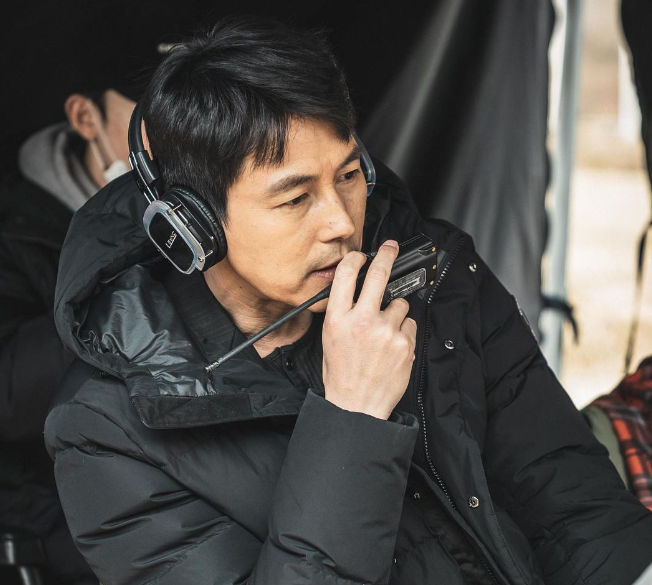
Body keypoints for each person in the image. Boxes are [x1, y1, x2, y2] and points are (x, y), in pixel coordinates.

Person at [45, 17, 652, 585]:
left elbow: (574, 504)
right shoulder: (106, 435)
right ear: (194, 227)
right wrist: (352, 417)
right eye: (294, 199)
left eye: (348, 174)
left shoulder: (437, 277)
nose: (341, 222)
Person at [0, 87, 134, 584]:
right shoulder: (14, 228)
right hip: (57, 509)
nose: (180, 128)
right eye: (153, 114)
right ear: (85, 118)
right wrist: (132, 263)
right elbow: (8, 395)